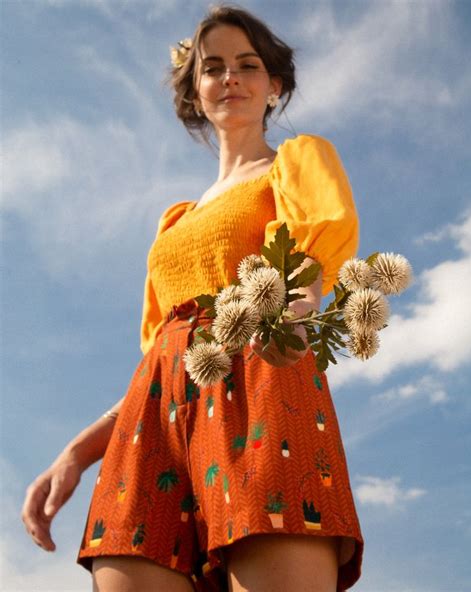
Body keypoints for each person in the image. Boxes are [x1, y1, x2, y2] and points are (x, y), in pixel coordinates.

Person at [21, 5, 364, 591]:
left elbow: (307, 270)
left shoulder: (294, 165)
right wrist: (79, 451)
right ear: (196, 91)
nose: (230, 76)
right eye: (214, 67)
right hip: (152, 418)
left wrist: (294, 319)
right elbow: (159, 354)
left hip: (261, 383)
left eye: (247, 64)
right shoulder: (173, 221)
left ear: (274, 85)